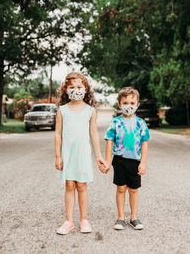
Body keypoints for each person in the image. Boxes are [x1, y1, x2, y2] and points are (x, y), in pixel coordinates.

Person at [54, 72, 107, 235]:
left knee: (82, 185)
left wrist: (98, 156)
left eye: (79, 87)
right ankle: (69, 221)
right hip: (68, 154)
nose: (75, 90)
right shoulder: (62, 110)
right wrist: (58, 155)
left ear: (86, 89)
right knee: (69, 185)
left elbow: (93, 134)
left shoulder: (90, 111)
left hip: (83, 154)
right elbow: (57, 134)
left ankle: (84, 219)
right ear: (65, 89)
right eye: (72, 87)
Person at [104, 86, 150, 230]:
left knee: (134, 190)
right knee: (121, 189)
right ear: (119, 104)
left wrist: (143, 162)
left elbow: (144, 143)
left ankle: (134, 218)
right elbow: (109, 142)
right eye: (125, 103)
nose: (128, 106)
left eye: (132, 103)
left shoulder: (140, 123)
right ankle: (120, 218)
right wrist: (107, 161)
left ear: (137, 105)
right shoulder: (115, 122)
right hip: (119, 160)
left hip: (135, 161)